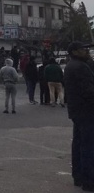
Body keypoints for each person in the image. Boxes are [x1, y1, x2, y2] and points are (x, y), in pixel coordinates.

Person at [63, 42, 94, 192]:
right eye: (83, 49)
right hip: (87, 110)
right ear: (75, 51)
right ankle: (89, 181)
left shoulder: (72, 65)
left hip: (77, 110)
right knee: (88, 146)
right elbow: (89, 91)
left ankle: (79, 176)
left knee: (79, 143)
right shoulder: (81, 67)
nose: (86, 51)